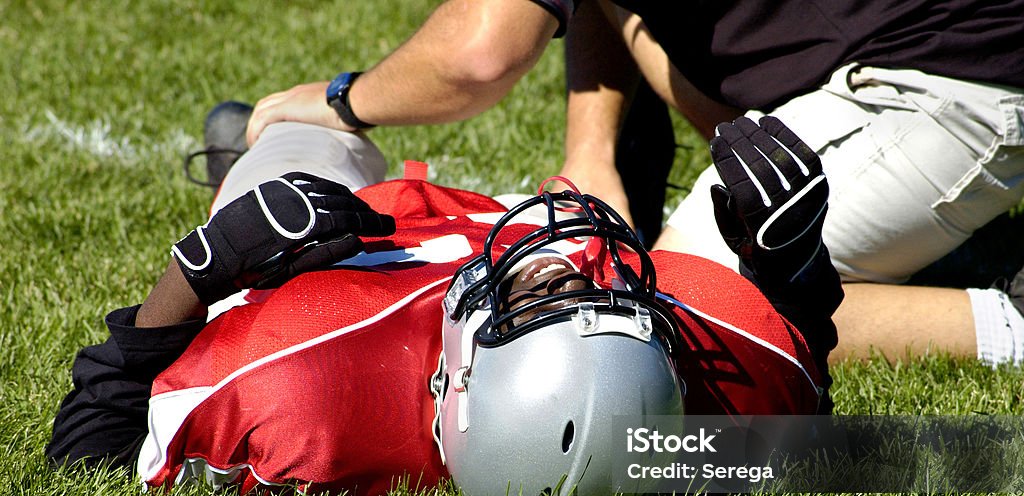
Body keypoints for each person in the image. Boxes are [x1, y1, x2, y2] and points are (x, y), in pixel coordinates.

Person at [48, 116, 841, 496]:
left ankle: (262, 133)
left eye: (537, 298)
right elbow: (798, 371)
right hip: (511, 218)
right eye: (595, 296)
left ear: (457, 386)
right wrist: (795, 260)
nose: (572, 273)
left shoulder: (299, 384)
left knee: (308, 145)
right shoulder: (670, 374)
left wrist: (204, 263)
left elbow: (87, 451)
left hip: (352, 232)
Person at [238, 0, 1024, 368]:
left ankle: (1008, 323)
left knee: (691, 304)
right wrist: (593, 153)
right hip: (900, 62)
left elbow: (477, 52)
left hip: (945, 77)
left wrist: (341, 99)